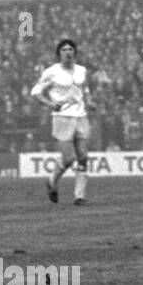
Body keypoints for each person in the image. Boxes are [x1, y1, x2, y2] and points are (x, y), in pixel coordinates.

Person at [30, 38, 94, 205]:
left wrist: (90, 100)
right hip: (62, 117)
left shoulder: (81, 70)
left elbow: (84, 88)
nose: (68, 52)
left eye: (70, 49)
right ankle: (52, 180)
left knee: (83, 156)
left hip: (81, 115)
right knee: (69, 158)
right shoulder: (51, 72)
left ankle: (79, 196)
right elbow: (36, 92)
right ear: (59, 54)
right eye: (64, 50)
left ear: (75, 52)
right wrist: (51, 104)